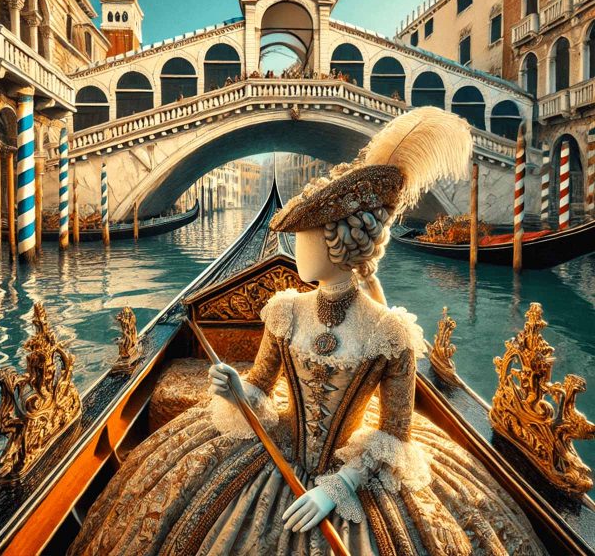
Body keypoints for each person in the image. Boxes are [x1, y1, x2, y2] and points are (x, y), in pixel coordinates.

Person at [69, 108, 544, 556]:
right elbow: (261, 383)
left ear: (335, 242)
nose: (295, 247)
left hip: (355, 474)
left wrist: (338, 488)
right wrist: (237, 390)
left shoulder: (391, 332)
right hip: (276, 445)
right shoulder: (286, 311)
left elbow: (395, 433)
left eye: (304, 237)